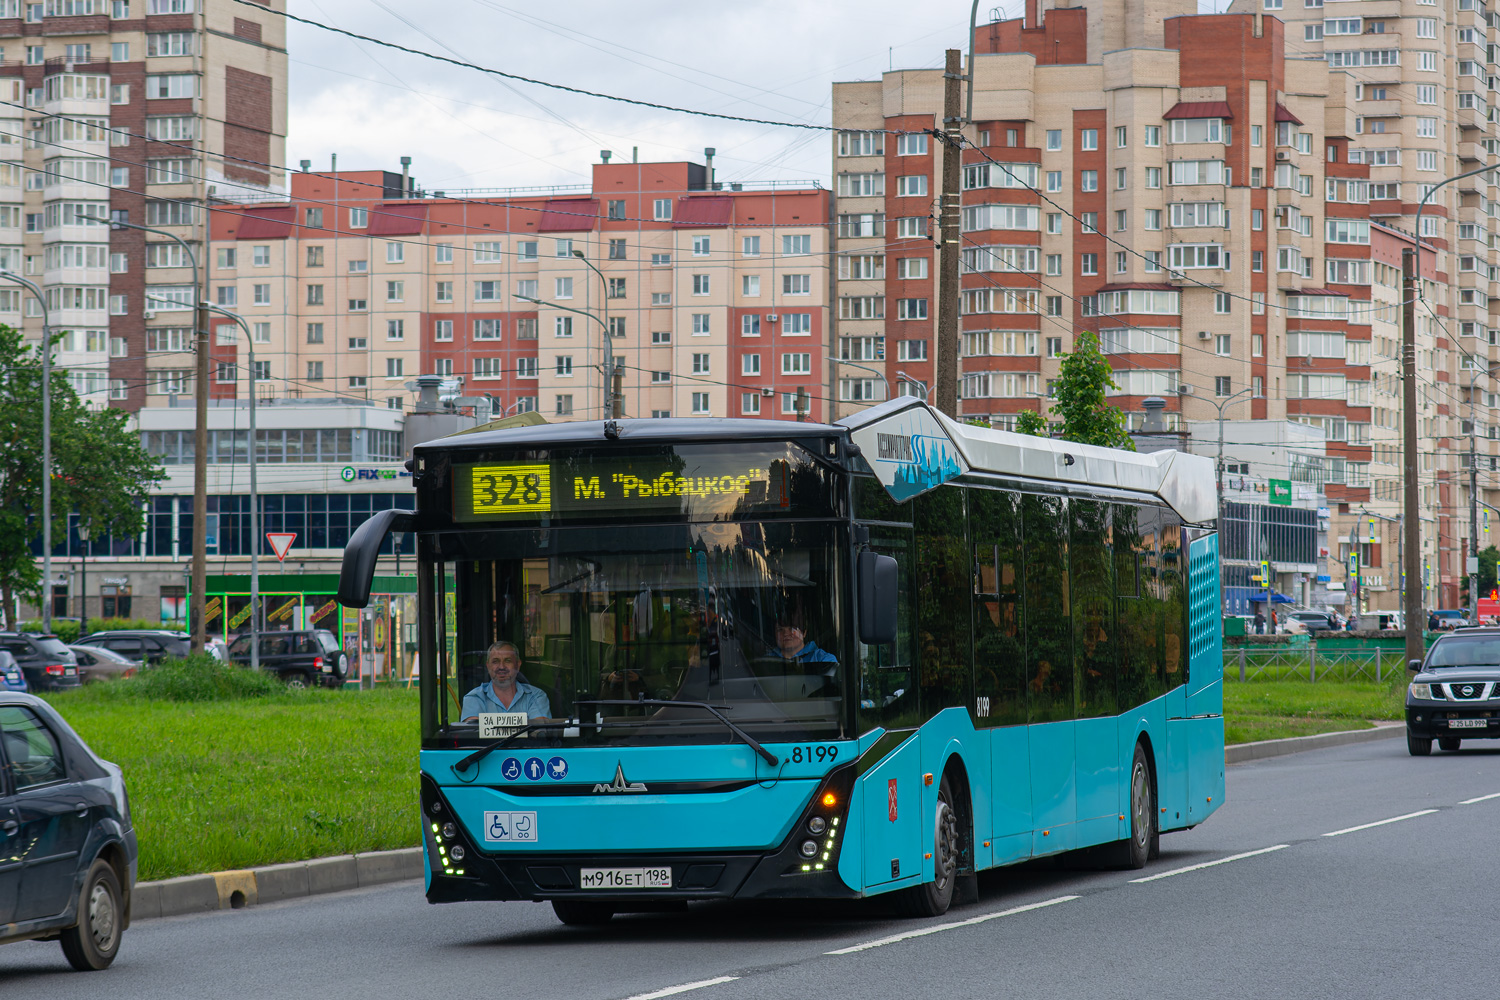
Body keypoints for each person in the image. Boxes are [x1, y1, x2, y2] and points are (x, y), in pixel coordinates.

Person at [461, 641, 552, 723]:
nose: (501, 667)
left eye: (507, 661)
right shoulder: (474, 698)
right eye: (495, 661)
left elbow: (539, 733)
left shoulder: (536, 696)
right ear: (488, 666)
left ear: (518, 665)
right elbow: (475, 737)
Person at [771, 614, 838, 695]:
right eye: (780, 629)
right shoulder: (765, 660)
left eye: (792, 628)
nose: (786, 633)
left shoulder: (824, 660)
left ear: (804, 632)